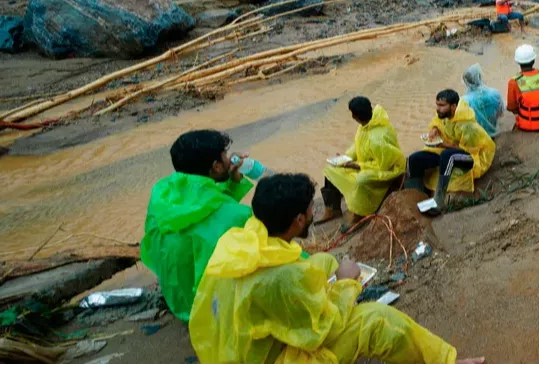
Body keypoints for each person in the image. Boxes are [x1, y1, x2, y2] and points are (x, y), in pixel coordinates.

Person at [188, 173, 474, 365]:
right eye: (310, 212)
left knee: (324, 262)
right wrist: (347, 284)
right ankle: (445, 361)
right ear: (299, 219)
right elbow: (322, 331)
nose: (313, 215)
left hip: (231, 349)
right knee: (375, 319)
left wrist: (329, 273)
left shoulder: (240, 239)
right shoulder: (282, 279)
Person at [141, 130, 254, 321]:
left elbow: (204, 209)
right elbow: (220, 216)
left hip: (179, 302)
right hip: (209, 314)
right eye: (225, 156)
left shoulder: (162, 193)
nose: (229, 159)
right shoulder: (237, 216)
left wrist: (231, 183)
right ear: (217, 166)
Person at [406, 89, 495, 212]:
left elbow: (469, 151)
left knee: (448, 156)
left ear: (453, 107)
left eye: (442, 106)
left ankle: (439, 200)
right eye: (437, 105)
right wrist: (435, 129)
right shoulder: (445, 115)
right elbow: (437, 121)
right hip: (452, 149)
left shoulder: (467, 126)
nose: (438, 109)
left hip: (473, 157)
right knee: (414, 159)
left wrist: (443, 144)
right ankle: (414, 195)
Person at [320, 97, 405, 224]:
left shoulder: (378, 138)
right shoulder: (365, 125)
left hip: (388, 170)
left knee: (361, 180)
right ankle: (332, 209)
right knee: (330, 169)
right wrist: (344, 158)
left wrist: (356, 165)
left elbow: (383, 165)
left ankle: (360, 213)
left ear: (355, 116)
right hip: (368, 165)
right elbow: (358, 146)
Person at [507, 45, 539, 131]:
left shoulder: (514, 82)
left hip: (527, 125)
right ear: (533, 60)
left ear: (518, 62)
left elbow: (511, 107)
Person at [462, 64, 504, 138]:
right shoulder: (494, 93)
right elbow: (500, 113)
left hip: (477, 137)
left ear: (466, 82)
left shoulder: (464, 100)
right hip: (494, 132)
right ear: (480, 77)